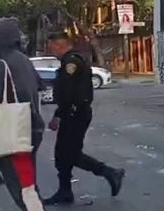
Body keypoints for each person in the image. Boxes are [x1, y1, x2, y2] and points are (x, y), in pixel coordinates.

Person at [43, 32, 125, 205]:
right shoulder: (70, 61)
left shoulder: (72, 62)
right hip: (72, 113)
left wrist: (61, 114)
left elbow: (70, 93)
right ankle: (64, 191)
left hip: (75, 114)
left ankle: (109, 172)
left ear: (59, 45)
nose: (51, 50)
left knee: (70, 154)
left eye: (52, 46)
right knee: (62, 154)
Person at [0, 17, 46, 211]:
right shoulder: (23, 60)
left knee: (24, 190)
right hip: (24, 129)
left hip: (12, 136)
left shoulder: (2, 65)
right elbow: (38, 87)